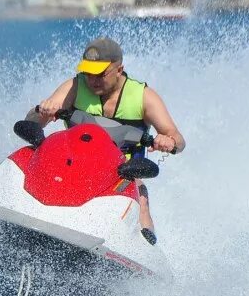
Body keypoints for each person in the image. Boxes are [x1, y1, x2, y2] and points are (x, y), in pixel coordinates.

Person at [26, 37, 186, 245]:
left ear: (119, 69)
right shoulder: (75, 86)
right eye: (88, 73)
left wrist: (170, 141)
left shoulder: (144, 97)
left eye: (100, 74)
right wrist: (43, 111)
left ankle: (145, 249)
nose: (92, 80)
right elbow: (31, 121)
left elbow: (178, 139)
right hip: (72, 166)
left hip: (119, 175)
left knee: (141, 197)